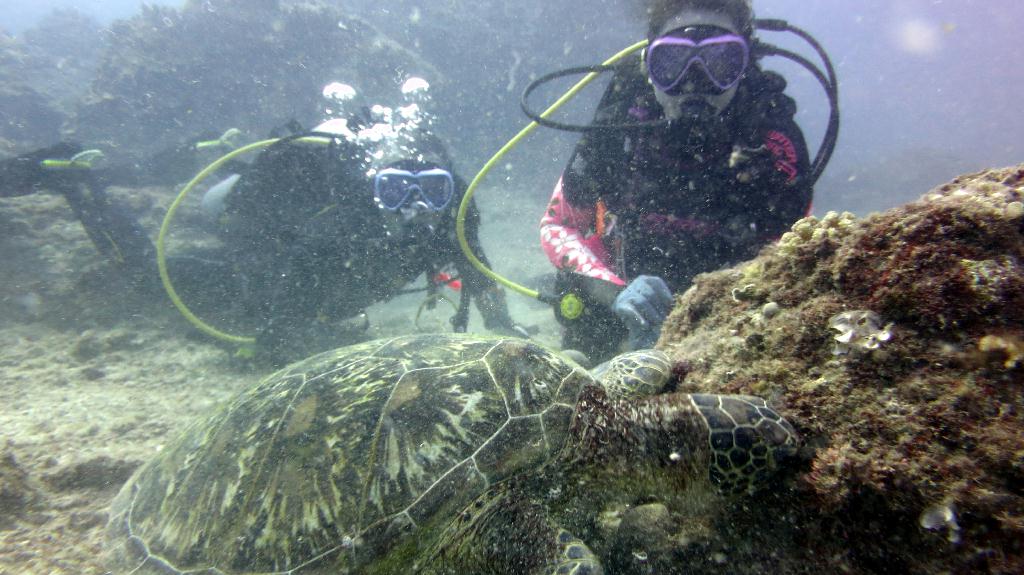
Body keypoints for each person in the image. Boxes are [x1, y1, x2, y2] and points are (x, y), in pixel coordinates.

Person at [1, 79, 523, 363]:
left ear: (449, 187)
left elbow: (477, 271)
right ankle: (76, 180)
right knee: (143, 274)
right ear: (372, 187)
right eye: (394, 191)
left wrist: (505, 326)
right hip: (248, 286)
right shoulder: (342, 226)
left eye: (432, 190)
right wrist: (337, 345)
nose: (415, 206)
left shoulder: (451, 217)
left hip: (312, 292)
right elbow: (279, 333)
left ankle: (222, 154)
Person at [538, 0, 814, 363]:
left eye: (720, 62)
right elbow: (557, 226)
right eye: (672, 63)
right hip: (618, 299)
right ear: (648, 65)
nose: (694, 84)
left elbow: (796, 250)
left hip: (729, 323)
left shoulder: (771, 142)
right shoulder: (616, 125)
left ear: (744, 67)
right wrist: (611, 291)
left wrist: (724, 307)